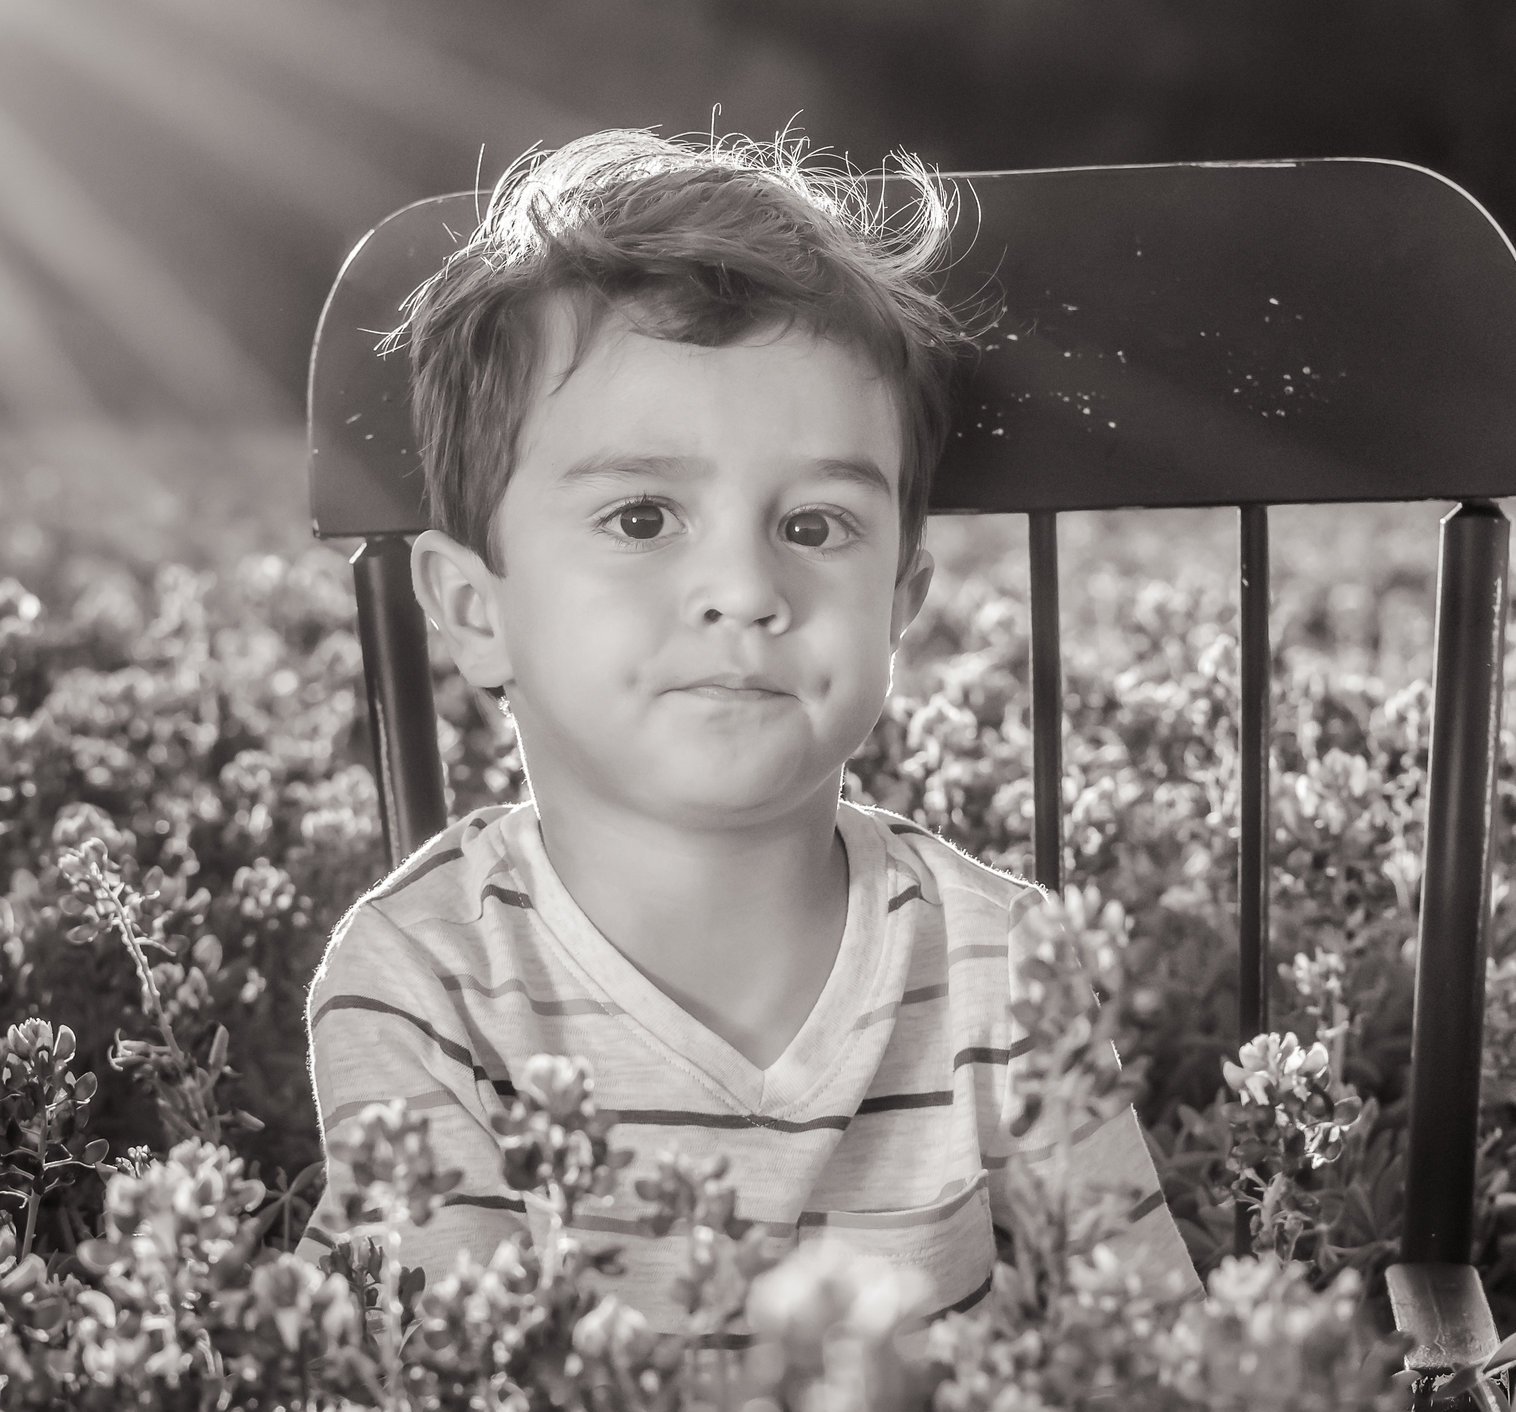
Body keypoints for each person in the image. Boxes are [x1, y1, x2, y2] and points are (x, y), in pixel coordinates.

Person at [297, 130, 1201, 1331]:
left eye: (817, 526)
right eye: (639, 515)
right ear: (474, 610)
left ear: (900, 605)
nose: (745, 587)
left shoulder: (1001, 965)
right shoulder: (418, 984)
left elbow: (1150, 1368)